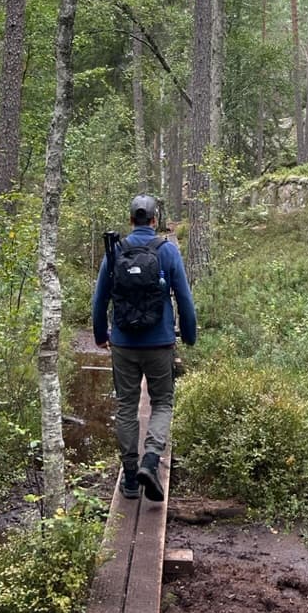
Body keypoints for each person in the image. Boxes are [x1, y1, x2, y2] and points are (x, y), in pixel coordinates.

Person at [92, 194, 197, 502]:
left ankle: (129, 479)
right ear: (155, 220)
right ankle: (150, 461)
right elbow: (184, 298)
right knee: (162, 402)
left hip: (123, 343)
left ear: (130, 220)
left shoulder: (115, 251)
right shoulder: (167, 251)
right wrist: (189, 335)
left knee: (126, 406)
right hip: (160, 343)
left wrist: (100, 335)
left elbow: (100, 299)